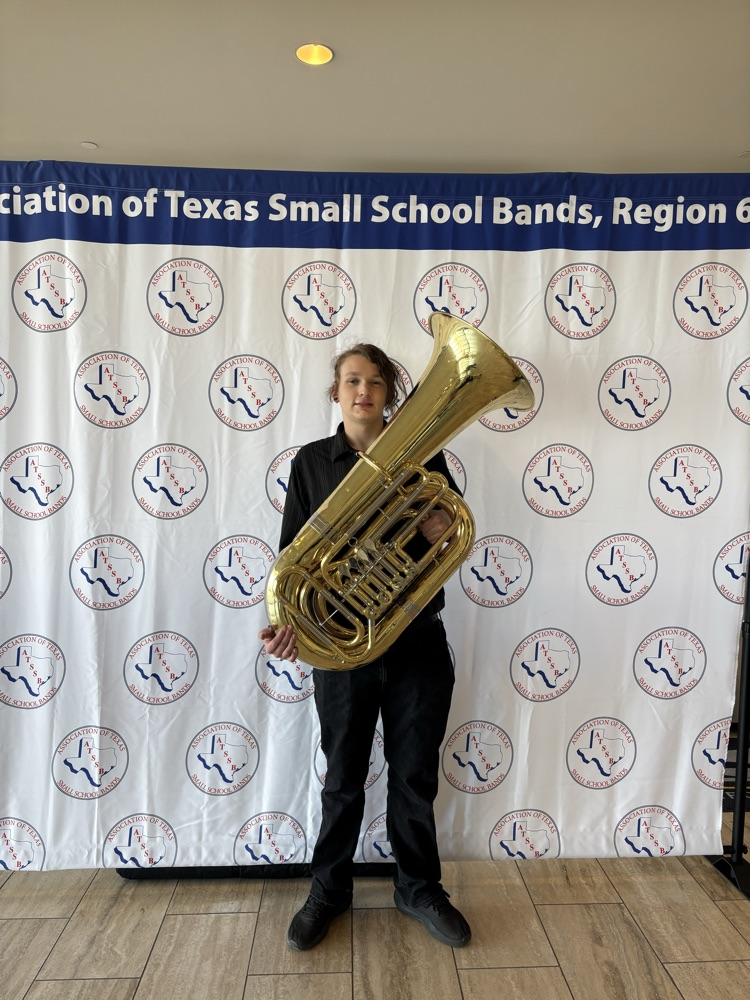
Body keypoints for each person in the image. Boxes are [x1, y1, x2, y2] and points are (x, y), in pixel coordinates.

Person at [259, 343, 471, 951]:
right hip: (341, 647)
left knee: (414, 776)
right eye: (352, 380)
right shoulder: (311, 462)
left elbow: (449, 534)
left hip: (416, 641)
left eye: (376, 382)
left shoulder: (425, 454)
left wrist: (437, 530)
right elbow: (291, 560)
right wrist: (286, 625)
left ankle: (419, 888)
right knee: (342, 779)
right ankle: (329, 890)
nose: (363, 391)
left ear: (388, 395)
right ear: (336, 392)